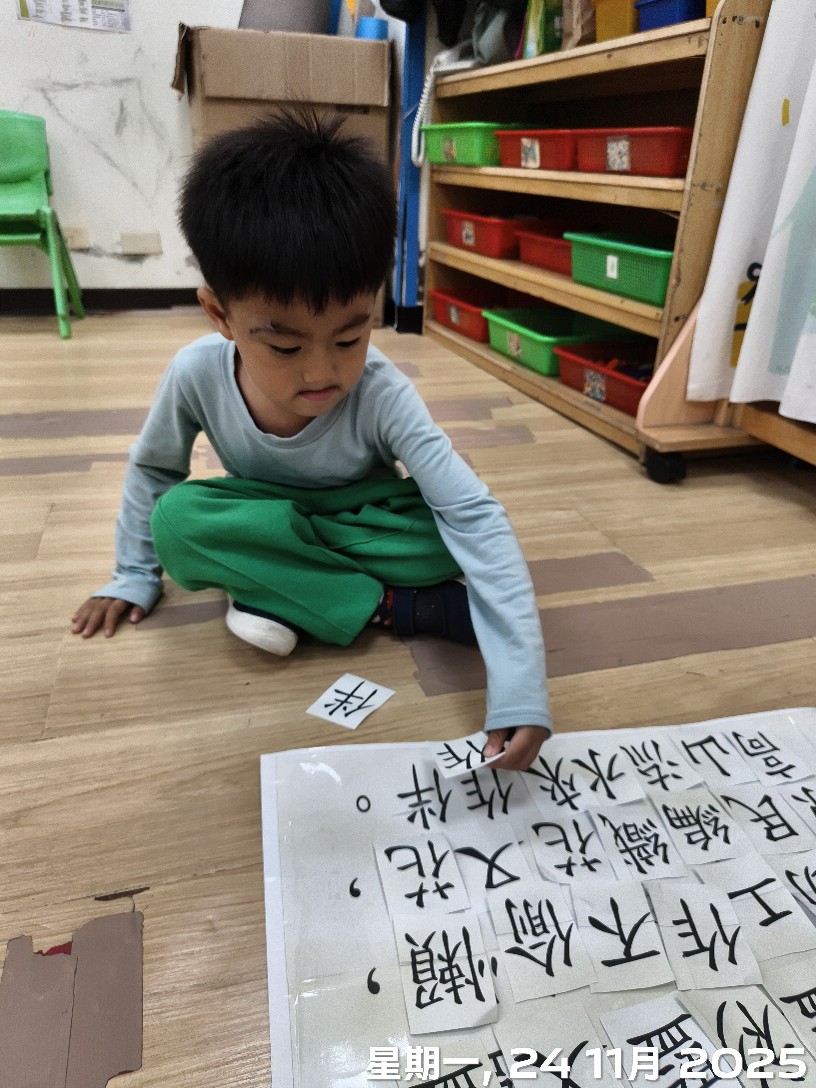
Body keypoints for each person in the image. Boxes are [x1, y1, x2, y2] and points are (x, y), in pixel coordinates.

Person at [70, 109, 552, 769]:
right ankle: (390, 608)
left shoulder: (383, 391)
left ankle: (278, 591)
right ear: (219, 314)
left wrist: (521, 686)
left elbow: (470, 514)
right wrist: (132, 575)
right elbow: (156, 471)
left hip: (362, 517)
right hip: (261, 513)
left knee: (452, 532)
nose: (323, 371)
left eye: (351, 337)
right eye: (286, 345)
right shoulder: (193, 374)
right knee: (178, 521)